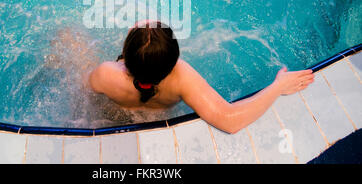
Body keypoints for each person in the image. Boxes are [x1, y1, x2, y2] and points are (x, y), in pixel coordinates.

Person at [89, 20, 315, 134]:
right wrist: (277, 87)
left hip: (111, 118)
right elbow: (230, 120)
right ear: (172, 61)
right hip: (159, 122)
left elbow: (86, 94)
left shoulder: (106, 74)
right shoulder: (181, 76)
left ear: (126, 59)